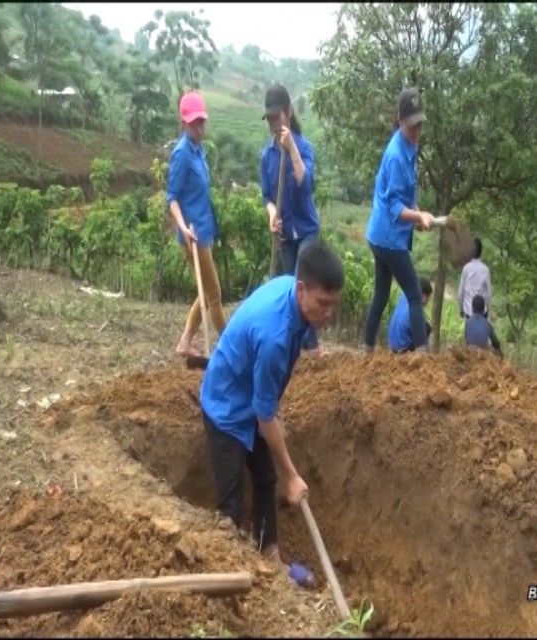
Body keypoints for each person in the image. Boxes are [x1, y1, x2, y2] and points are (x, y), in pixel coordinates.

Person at [199, 240, 343, 580]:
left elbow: (268, 406)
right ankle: (230, 573)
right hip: (226, 408)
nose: (328, 313)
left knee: (264, 478)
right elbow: (265, 416)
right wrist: (293, 476)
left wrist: (272, 411)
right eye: (322, 304)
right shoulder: (274, 335)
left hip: (252, 399)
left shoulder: (291, 296)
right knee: (231, 505)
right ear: (302, 288)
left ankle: (268, 554)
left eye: (332, 304)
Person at [363, 88, 436, 354]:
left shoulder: (410, 145)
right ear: (399, 119)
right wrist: (418, 216)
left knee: (381, 295)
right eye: (411, 124)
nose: (416, 130)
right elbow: (395, 206)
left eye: (420, 124)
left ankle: (367, 351)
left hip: (381, 235)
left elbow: (406, 195)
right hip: (388, 238)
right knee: (415, 295)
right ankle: (423, 357)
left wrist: (417, 214)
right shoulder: (395, 155)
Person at [260, 82, 323, 356]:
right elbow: (267, 196)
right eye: (270, 118)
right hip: (285, 236)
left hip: (307, 230)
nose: (275, 123)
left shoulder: (304, 147)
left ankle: (313, 347)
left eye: (278, 116)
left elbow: (304, 183)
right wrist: (272, 214)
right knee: (289, 288)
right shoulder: (267, 156)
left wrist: (292, 149)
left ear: (288, 112)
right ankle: (296, 346)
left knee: (302, 283)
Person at [167, 91, 226, 359]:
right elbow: (172, 198)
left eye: (201, 122)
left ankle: (184, 342)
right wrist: (183, 227)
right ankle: (229, 347)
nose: (199, 128)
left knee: (206, 292)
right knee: (214, 294)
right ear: (184, 123)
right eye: (194, 124)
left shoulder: (199, 149)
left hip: (205, 229)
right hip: (193, 235)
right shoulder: (181, 154)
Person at [388, 279, 433, 353]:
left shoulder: (404, 296)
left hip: (391, 345)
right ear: (424, 296)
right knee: (426, 327)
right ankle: (422, 353)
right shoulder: (416, 306)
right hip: (403, 348)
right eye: (428, 298)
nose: (427, 301)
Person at [457, 237, 491, 320]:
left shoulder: (466, 268)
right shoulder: (485, 270)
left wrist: (461, 309)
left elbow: (460, 293)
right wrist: (487, 310)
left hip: (468, 312)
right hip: (482, 313)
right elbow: (489, 294)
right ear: (481, 252)